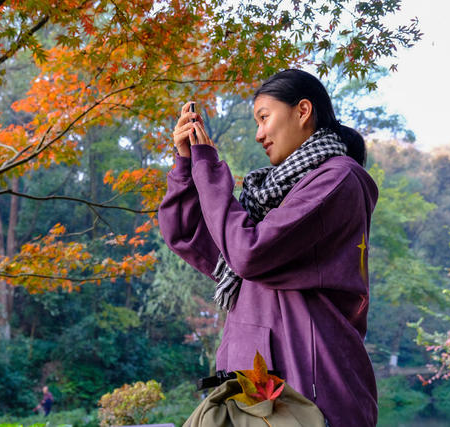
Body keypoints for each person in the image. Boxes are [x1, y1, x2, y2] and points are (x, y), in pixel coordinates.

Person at [158, 69, 378, 427]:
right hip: (253, 393)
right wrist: (186, 166)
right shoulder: (268, 197)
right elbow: (191, 238)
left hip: (308, 388)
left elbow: (248, 253)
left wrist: (210, 171)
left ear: (302, 111)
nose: (259, 134)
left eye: (264, 117)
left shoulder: (337, 179)